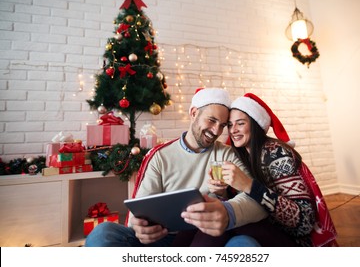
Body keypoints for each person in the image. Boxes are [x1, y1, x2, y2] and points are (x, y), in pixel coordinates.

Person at [84, 88, 268, 247]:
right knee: (103, 233)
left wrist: (228, 213)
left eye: (222, 126)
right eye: (211, 121)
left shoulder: (226, 154)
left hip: (207, 238)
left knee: (245, 245)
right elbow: (139, 210)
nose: (216, 132)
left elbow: (257, 202)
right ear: (194, 113)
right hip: (162, 239)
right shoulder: (160, 156)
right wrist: (139, 227)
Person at [206, 93, 338, 246]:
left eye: (240, 123)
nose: (233, 130)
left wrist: (249, 185)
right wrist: (222, 191)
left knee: (226, 226)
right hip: (263, 227)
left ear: (255, 124)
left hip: (293, 239)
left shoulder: (276, 154)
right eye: (229, 125)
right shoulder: (240, 155)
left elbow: (305, 223)